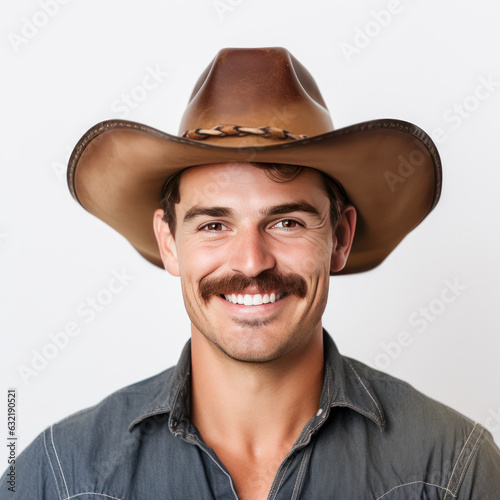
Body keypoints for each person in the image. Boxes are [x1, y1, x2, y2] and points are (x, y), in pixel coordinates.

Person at [2, 47, 499, 500]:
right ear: (169, 241)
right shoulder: (58, 476)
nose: (251, 261)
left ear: (340, 239)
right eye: (215, 224)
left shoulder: (454, 468)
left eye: (286, 222)